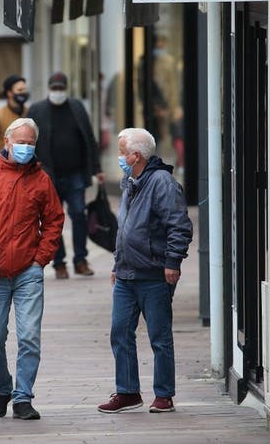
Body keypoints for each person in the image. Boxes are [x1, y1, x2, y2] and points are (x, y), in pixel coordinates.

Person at [0, 117, 64, 420]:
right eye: (20, 142)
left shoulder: (41, 179)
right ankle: (2, 388)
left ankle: (23, 397)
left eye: (30, 143)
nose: (25, 147)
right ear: (6, 142)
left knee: (29, 338)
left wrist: (41, 259)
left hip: (28, 271)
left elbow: (54, 220)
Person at [97, 128, 192, 414]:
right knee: (120, 332)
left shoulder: (162, 183)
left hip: (153, 274)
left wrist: (172, 262)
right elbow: (124, 229)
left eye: (121, 151)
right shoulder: (131, 180)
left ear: (135, 155)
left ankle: (164, 394)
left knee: (159, 337)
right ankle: (128, 392)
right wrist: (117, 263)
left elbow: (180, 226)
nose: (119, 158)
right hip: (126, 274)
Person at [29, 72, 104, 279]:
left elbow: (89, 137)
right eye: (54, 88)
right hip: (48, 175)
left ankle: (80, 259)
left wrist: (96, 168)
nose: (57, 92)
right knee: (53, 220)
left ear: (66, 88)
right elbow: (28, 140)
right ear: (48, 88)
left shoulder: (77, 107)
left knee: (79, 215)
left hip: (76, 173)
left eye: (61, 88)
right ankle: (59, 262)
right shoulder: (37, 110)